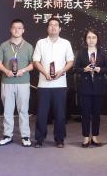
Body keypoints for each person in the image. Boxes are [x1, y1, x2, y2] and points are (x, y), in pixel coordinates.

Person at [32, 17, 75, 148]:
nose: (53, 27)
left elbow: (70, 61)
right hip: (43, 84)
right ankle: (39, 139)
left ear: (60, 28)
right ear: (47, 28)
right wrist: (45, 73)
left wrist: (62, 71)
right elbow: (36, 61)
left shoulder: (66, 43)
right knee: (42, 114)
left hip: (60, 84)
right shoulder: (41, 43)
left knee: (60, 114)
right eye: (51, 25)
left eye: (56, 25)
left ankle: (59, 139)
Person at [0, 19, 35, 147]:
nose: (16, 30)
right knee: (7, 110)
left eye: (19, 28)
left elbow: (33, 64)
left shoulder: (28, 46)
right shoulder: (4, 45)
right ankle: (7, 135)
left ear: (23, 30)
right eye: (14, 27)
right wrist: (6, 71)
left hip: (23, 82)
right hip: (7, 81)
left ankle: (25, 136)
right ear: (10, 29)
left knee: (23, 110)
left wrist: (23, 70)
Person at [74, 29, 107, 147]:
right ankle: (85, 137)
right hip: (85, 87)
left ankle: (95, 137)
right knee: (85, 114)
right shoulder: (81, 53)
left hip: (98, 87)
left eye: (94, 37)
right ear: (85, 39)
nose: (91, 40)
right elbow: (76, 68)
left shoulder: (102, 52)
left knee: (96, 114)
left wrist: (99, 69)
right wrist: (84, 69)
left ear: (97, 39)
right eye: (89, 37)